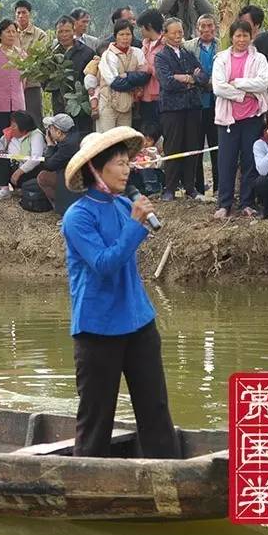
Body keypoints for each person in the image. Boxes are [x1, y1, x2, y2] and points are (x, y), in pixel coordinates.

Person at [61, 126, 179, 459]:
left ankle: (168, 472)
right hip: (98, 328)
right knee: (97, 419)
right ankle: (87, 485)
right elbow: (104, 264)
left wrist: (136, 221)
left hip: (138, 321)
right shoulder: (77, 216)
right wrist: (135, 224)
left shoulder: (123, 204)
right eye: (118, 162)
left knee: (155, 409)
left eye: (128, 161)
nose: (127, 169)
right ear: (95, 169)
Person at [212, 20, 268, 219]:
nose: (241, 39)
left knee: (249, 161)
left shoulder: (259, 58)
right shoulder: (221, 58)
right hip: (228, 119)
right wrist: (244, 94)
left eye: (245, 35)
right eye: (238, 35)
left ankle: (247, 202)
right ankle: (224, 203)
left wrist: (236, 83)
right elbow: (218, 87)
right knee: (226, 162)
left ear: (251, 36)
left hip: (252, 117)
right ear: (232, 37)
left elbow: (262, 84)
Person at [155, 17, 208, 202]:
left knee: (192, 146)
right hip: (172, 109)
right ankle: (169, 188)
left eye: (180, 32)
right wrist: (189, 79)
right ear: (165, 34)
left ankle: (190, 186)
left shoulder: (188, 53)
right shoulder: (161, 56)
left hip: (192, 106)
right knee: (173, 146)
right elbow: (167, 82)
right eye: (174, 32)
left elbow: (202, 76)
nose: (178, 36)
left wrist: (186, 78)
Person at [183, 14, 220, 194]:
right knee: (195, 147)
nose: (207, 30)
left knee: (217, 146)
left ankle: (219, 187)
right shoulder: (188, 46)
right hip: (195, 104)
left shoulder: (222, 46)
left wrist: (206, 81)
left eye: (210, 26)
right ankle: (197, 187)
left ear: (215, 27)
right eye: (203, 26)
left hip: (217, 104)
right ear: (197, 29)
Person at [98, 20, 148, 131]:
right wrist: (135, 82)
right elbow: (115, 83)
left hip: (127, 105)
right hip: (108, 105)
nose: (125, 37)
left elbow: (145, 76)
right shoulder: (108, 55)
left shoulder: (137, 52)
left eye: (128, 34)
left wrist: (127, 75)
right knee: (107, 142)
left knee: (125, 141)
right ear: (115, 36)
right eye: (121, 34)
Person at [51, 16, 95, 135]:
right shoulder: (51, 55)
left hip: (81, 105)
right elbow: (46, 82)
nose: (64, 35)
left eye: (67, 31)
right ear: (56, 33)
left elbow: (92, 79)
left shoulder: (87, 52)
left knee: (82, 136)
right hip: (59, 103)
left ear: (74, 31)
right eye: (60, 31)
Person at [0, 110, 46, 201]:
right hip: (13, 167)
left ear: (23, 128)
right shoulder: (8, 135)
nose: (11, 128)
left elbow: (36, 158)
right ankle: (4, 190)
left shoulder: (36, 135)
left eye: (14, 126)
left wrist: (19, 172)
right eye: (11, 125)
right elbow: (1, 148)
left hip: (28, 172)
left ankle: (25, 189)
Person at [14, 0, 48, 127]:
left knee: (34, 118)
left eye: (24, 13)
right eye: (18, 13)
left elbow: (39, 58)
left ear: (30, 14)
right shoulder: (10, 32)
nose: (21, 16)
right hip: (12, 84)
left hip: (31, 84)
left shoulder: (40, 35)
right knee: (16, 120)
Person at [35, 113, 81, 205]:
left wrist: (50, 146)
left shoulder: (67, 145)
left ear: (59, 132)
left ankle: (65, 207)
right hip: (85, 176)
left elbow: (49, 165)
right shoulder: (76, 137)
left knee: (43, 177)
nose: (48, 131)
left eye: (51, 128)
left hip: (78, 180)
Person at [137, 9, 166, 129]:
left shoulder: (165, 45)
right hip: (144, 96)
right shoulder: (144, 45)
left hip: (159, 97)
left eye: (141, 27)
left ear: (148, 26)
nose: (140, 31)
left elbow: (166, 72)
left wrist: (150, 69)